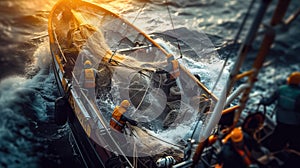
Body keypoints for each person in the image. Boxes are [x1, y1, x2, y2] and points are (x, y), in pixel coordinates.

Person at [260, 72, 300, 152]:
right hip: (295, 124)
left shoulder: (281, 89)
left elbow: (268, 102)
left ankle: (272, 152)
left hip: (280, 121)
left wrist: (262, 101)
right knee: (295, 143)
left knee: (278, 139)